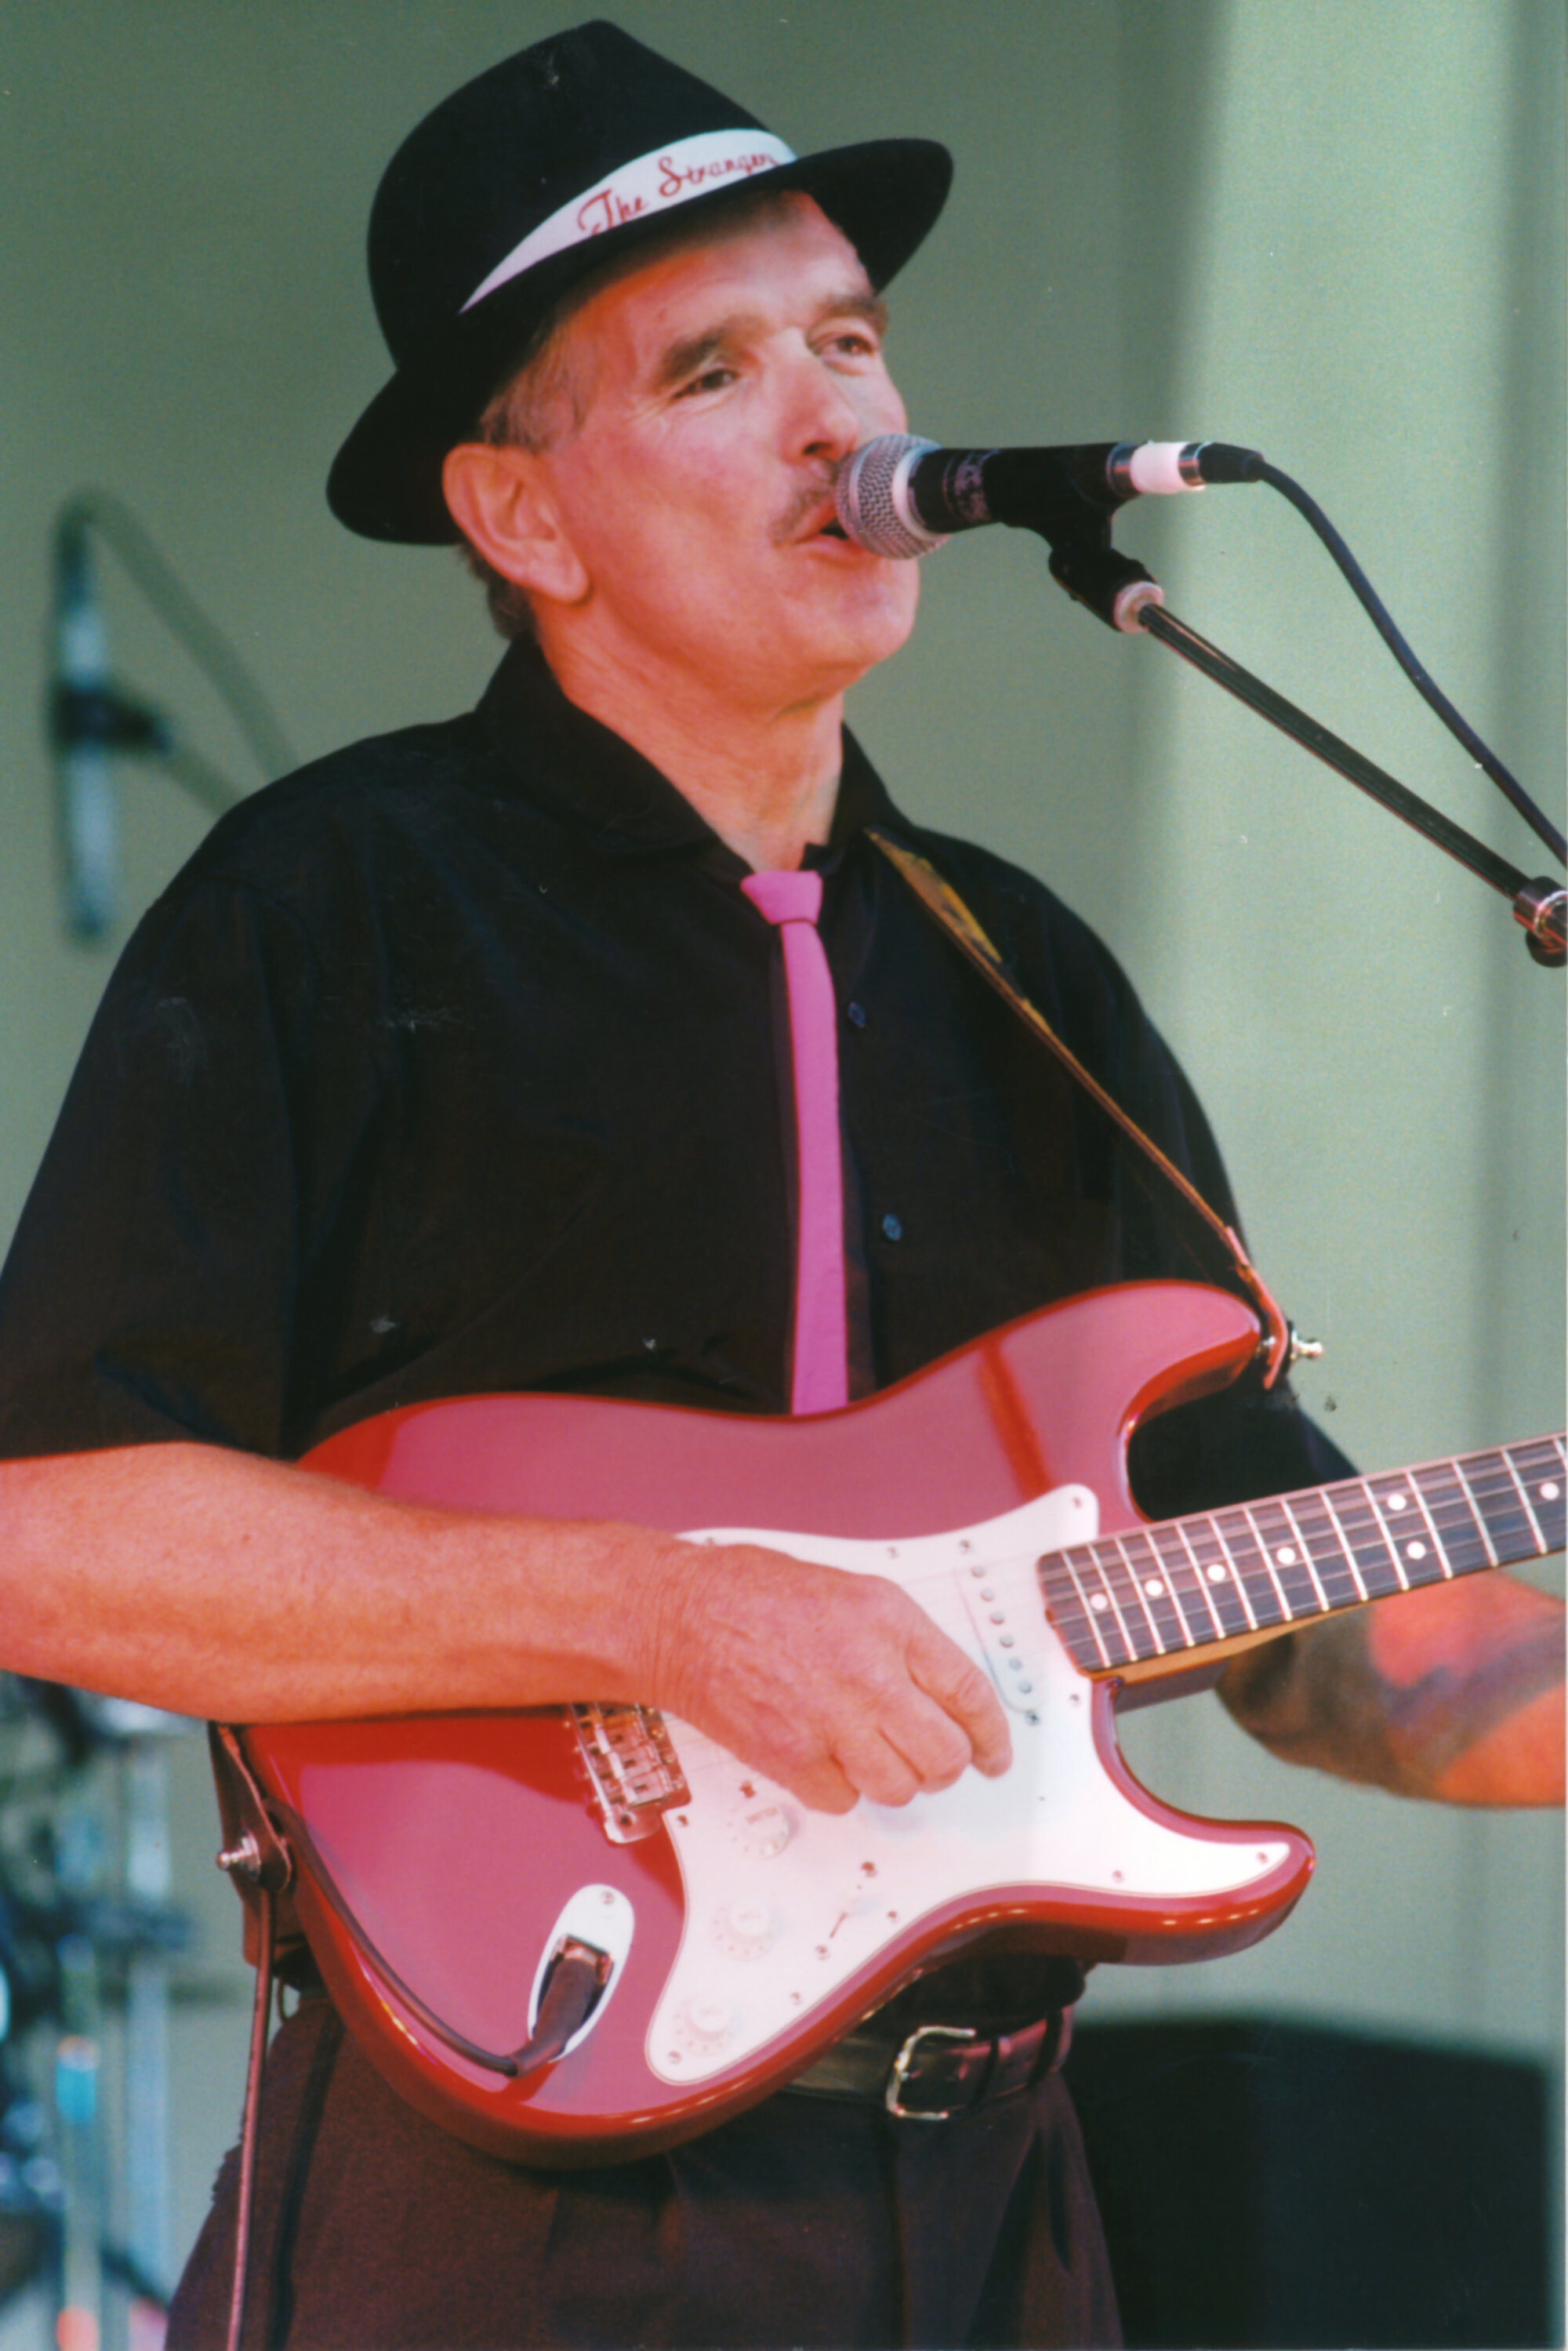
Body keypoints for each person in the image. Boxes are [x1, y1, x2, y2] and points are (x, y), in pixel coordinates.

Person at [0, 23, 1559, 2349]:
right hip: (506, 2214)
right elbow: (49, 1532)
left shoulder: (1021, 975)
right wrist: (669, 1614)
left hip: (991, 2202)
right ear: (524, 519)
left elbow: (1326, 1642)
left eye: (849, 337)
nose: (838, 419)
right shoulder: (331, 908)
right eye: (715, 370)